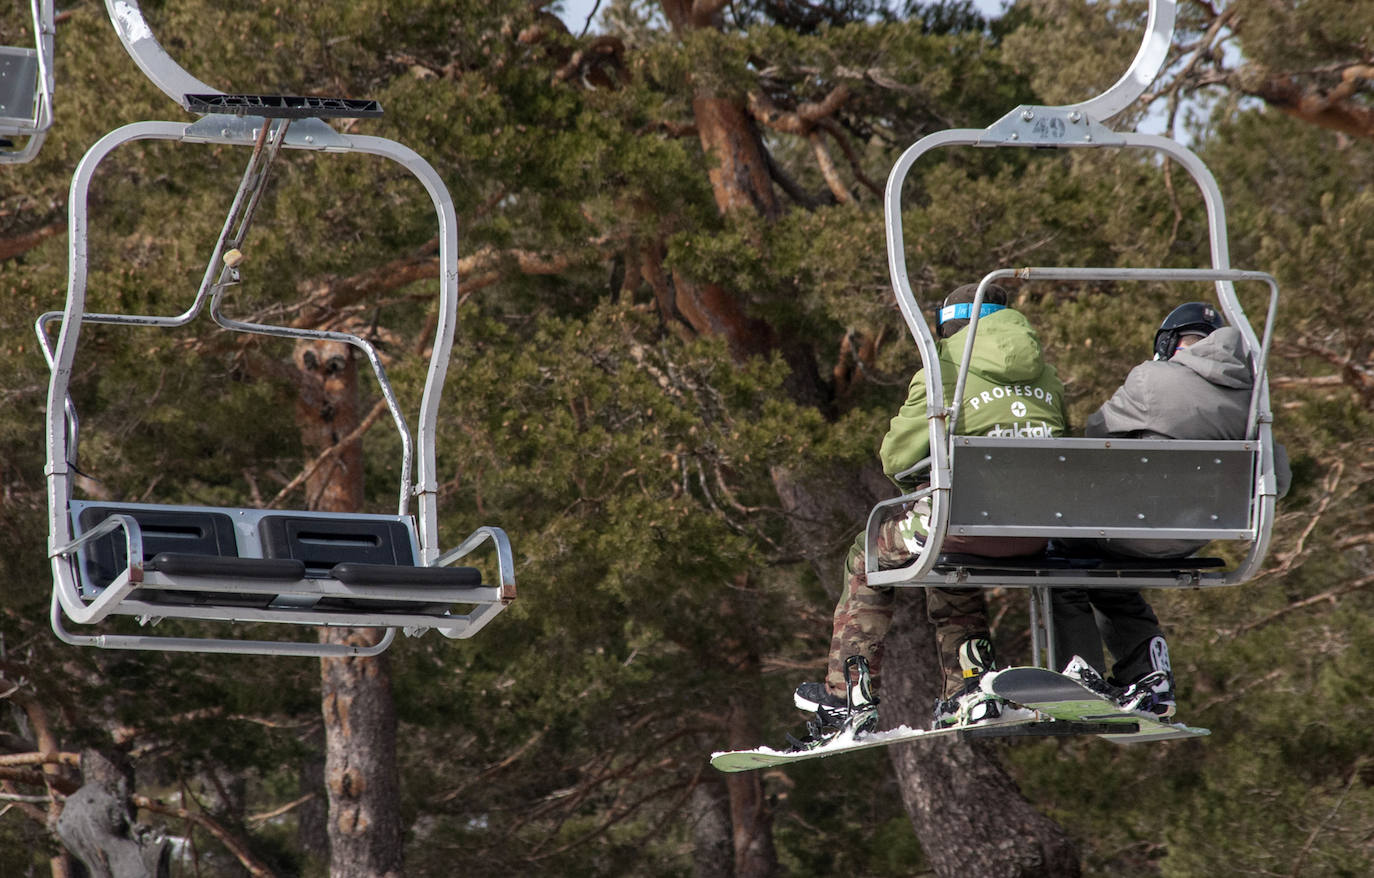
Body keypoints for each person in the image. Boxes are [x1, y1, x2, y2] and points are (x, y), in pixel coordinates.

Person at [792, 283, 1069, 734]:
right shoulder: (1048, 376)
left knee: (871, 552)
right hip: (1040, 530)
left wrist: (918, 481)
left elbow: (896, 457)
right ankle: (970, 686)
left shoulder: (941, 368)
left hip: (962, 524)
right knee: (950, 556)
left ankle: (849, 696)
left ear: (949, 325)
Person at [1054, 302, 1291, 717]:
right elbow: (1280, 481)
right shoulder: (1254, 401)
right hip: (1193, 539)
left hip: (1136, 530)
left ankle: (1079, 674)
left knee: (1062, 556)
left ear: (1169, 343)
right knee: (1110, 577)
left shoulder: (1151, 378)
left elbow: (1096, 434)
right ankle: (1149, 675)